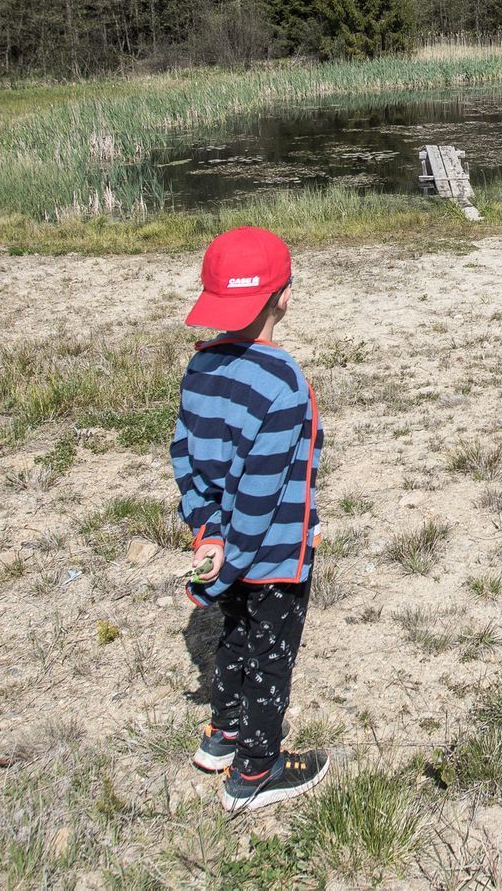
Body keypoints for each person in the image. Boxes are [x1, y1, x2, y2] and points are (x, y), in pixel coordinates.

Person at [171, 225, 329, 813]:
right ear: (284, 296)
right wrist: (232, 559)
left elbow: (185, 456)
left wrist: (208, 533)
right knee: (270, 652)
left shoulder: (200, 369)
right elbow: (261, 493)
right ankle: (256, 770)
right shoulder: (282, 381)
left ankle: (224, 731)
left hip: (220, 543)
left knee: (234, 634)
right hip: (271, 551)